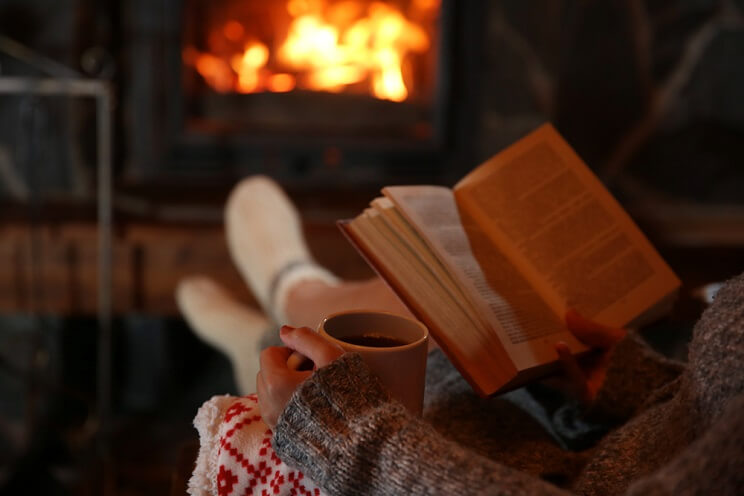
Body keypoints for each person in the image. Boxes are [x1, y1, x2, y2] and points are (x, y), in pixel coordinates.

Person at [180, 176, 744, 495]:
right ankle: (276, 312)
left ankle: (286, 295)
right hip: (593, 444)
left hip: (522, 475)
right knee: (443, 305)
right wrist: (629, 383)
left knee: (413, 319)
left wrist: (344, 428)